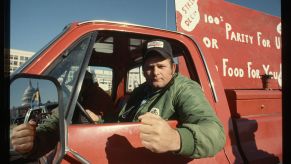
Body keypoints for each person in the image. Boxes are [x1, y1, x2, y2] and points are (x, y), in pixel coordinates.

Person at [118, 39, 226, 158]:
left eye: (161, 66)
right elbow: (121, 119)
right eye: (150, 67)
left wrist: (176, 139)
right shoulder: (141, 90)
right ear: (143, 71)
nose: (155, 72)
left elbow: (216, 134)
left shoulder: (184, 89)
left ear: (173, 69)